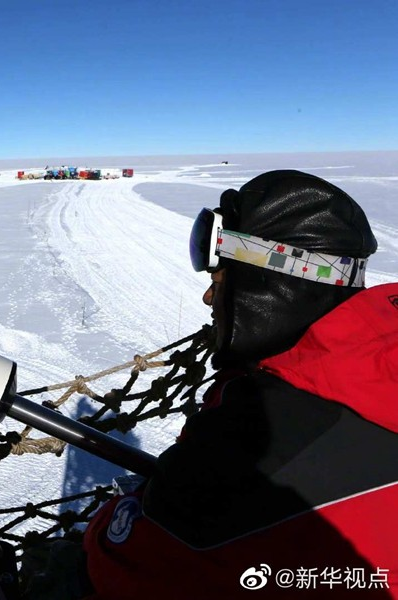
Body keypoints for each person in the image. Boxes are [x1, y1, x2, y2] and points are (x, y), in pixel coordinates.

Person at [83, 170, 398, 598]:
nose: (209, 300)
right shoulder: (372, 366)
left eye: (221, 280)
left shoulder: (259, 436)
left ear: (270, 288)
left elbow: (129, 562)